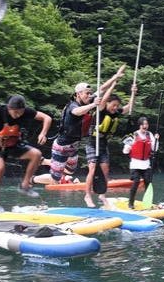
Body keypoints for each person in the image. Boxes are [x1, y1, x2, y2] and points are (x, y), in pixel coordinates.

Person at [32, 65, 127, 194]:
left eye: (90, 93)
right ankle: (32, 179)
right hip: (62, 146)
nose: (89, 95)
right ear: (78, 94)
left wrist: (115, 77)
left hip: (74, 146)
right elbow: (77, 112)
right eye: (87, 93)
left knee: (70, 171)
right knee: (56, 179)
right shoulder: (73, 105)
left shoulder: (86, 100)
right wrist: (94, 104)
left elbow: (102, 88)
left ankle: (45, 161)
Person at [0, 94, 52, 212]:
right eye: (16, 112)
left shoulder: (27, 112)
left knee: (37, 154)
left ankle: (25, 185)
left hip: (14, 145)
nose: (18, 115)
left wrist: (43, 133)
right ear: (9, 108)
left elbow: (47, 118)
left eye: (21, 112)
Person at [85, 72, 136, 208]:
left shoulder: (115, 112)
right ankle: (88, 195)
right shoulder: (101, 110)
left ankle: (102, 195)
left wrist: (133, 93)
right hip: (92, 143)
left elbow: (128, 108)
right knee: (92, 169)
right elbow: (103, 99)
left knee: (105, 170)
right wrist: (113, 84)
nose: (115, 108)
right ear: (107, 104)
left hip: (103, 144)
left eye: (116, 106)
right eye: (113, 105)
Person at [123, 116, 159, 209]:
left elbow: (154, 149)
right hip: (135, 164)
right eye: (143, 124)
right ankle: (131, 203)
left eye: (146, 124)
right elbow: (125, 151)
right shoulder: (134, 135)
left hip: (146, 163)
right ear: (140, 125)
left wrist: (156, 140)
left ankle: (148, 202)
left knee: (148, 182)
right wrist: (128, 147)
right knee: (136, 182)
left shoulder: (150, 134)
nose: (145, 126)